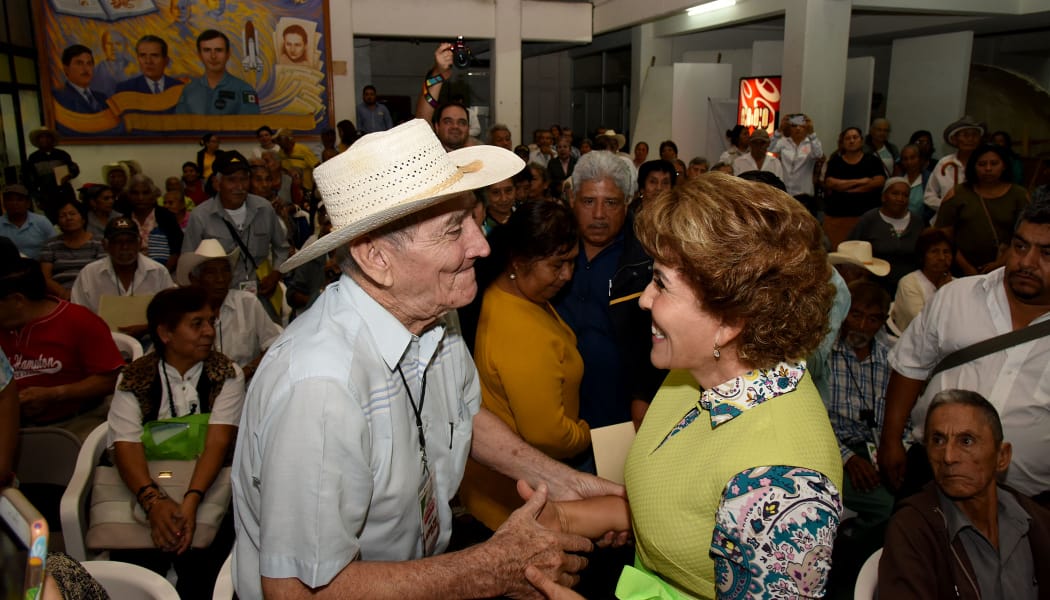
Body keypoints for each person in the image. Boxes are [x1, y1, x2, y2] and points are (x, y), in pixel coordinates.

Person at [231, 119, 618, 598]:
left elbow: (462, 414)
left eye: (474, 220)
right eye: (455, 229)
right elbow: (296, 592)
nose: (480, 245)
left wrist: (561, 482)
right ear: (375, 258)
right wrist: (490, 569)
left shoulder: (433, 310)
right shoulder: (321, 388)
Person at [535, 172, 843, 599]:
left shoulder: (780, 485)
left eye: (661, 283)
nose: (644, 299)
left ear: (730, 320)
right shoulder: (696, 370)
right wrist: (560, 520)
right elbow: (677, 502)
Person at [880, 195, 1050, 499]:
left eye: (1047, 253)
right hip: (930, 476)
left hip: (1028, 498)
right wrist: (891, 439)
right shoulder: (955, 297)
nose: (1026, 262)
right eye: (1020, 246)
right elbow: (909, 367)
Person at [460, 201, 590, 531]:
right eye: (558, 265)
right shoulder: (517, 327)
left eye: (573, 262)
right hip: (514, 501)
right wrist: (587, 435)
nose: (567, 275)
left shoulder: (516, 295)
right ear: (518, 262)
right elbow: (547, 434)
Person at [106, 286, 243, 599]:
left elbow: (217, 442)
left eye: (211, 321)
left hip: (208, 485)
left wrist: (191, 501)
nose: (209, 332)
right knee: (137, 558)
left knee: (205, 559)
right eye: (197, 324)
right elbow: (125, 444)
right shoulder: (134, 377)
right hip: (147, 481)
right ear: (166, 333)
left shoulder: (226, 374)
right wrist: (153, 501)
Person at [879, 390, 1050, 598]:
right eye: (938, 441)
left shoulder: (1034, 520)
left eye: (966, 441)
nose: (949, 457)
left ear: (1002, 457)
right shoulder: (912, 526)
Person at [555, 151, 666, 432]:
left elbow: (661, 334)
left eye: (611, 203)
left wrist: (644, 394)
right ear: (572, 200)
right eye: (589, 201)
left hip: (619, 410)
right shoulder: (549, 250)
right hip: (554, 404)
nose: (599, 214)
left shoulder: (646, 261)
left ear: (628, 203)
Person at [0, 258, 124, 435]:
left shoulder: (79, 321)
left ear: (18, 300)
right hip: (11, 424)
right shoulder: (4, 326)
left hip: (76, 422)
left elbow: (110, 379)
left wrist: (55, 394)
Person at [825, 280, 896, 537]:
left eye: (873, 319)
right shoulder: (825, 355)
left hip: (877, 447)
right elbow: (814, 421)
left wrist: (896, 448)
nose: (862, 326)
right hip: (834, 450)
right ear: (844, 312)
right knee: (886, 507)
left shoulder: (890, 358)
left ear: (884, 320)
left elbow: (903, 417)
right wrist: (849, 458)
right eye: (856, 315)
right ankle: (852, 545)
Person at [182, 151, 289, 312]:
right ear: (217, 183)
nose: (239, 187)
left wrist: (275, 274)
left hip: (261, 296)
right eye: (231, 180)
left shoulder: (264, 208)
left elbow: (281, 248)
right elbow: (188, 265)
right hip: (220, 302)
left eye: (244, 179)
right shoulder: (201, 216)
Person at [176, 240, 282, 379]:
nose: (220, 279)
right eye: (211, 272)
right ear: (195, 279)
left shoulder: (247, 303)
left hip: (246, 388)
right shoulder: (184, 311)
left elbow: (274, 346)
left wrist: (244, 373)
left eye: (225, 271)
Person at [936, 143, 1029, 276]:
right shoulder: (958, 193)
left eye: (994, 163)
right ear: (973, 167)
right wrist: (966, 266)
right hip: (961, 270)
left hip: (1007, 267)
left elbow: (1025, 236)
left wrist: (1000, 263)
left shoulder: (1019, 195)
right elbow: (943, 235)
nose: (988, 168)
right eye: (982, 164)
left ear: (1004, 166)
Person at [71, 217, 176, 336]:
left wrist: (148, 328)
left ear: (139, 242)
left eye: (130, 241)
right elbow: (77, 316)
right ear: (105, 245)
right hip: (100, 341)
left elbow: (171, 314)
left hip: (150, 342)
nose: (124, 247)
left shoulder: (158, 272)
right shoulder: (89, 274)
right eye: (117, 242)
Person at [847, 177, 925, 294]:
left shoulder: (918, 223)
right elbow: (850, 250)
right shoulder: (869, 220)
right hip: (874, 288)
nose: (900, 198)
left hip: (910, 288)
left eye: (905, 195)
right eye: (895, 193)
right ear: (883, 197)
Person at [823, 126, 887, 248]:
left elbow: (879, 181)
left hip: (865, 218)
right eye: (847, 138)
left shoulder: (872, 161)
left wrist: (844, 186)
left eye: (855, 137)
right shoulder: (835, 162)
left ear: (861, 141)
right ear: (842, 143)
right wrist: (862, 181)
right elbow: (831, 183)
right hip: (838, 217)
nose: (851, 141)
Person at [175, 29, 260, 115]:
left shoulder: (243, 90)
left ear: (228, 53)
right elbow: (179, 125)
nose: (213, 56)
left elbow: (251, 125)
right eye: (207, 50)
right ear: (199, 55)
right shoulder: (189, 90)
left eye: (219, 50)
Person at [889, 228, 953, 333]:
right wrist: (943, 292)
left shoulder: (957, 283)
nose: (942, 257)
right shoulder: (909, 283)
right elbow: (922, 323)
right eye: (934, 252)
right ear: (922, 256)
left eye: (946, 252)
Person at [40, 198, 105, 300]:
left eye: (72, 213)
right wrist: (63, 292)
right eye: (62, 215)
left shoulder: (100, 242)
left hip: (92, 292)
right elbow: (45, 278)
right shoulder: (50, 245)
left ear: (83, 219)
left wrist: (80, 294)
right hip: (61, 296)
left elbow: (102, 273)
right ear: (58, 223)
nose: (68, 218)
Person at [924, 116, 984, 218]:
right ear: (954, 139)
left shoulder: (984, 164)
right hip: (946, 220)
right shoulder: (944, 163)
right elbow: (929, 196)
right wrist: (949, 207)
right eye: (965, 135)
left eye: (974, 135)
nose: (970, 139)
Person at [125, 174, 183, 270]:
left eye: (145, 193)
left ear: (153, 195)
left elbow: (176, 250)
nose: (140, 198)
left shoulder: (166, 216)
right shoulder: (124, 218)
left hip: (164, 270)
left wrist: (161, 273)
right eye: (135, 193)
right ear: (129, 195)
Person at [22, 127, 79, 222]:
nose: (44, 139)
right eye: (41, 137)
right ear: (37, 140)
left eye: (47, 137)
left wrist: (70, 174)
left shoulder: (62, 154)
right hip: (47, 196)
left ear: (52, 139)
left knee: (70, 218)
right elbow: (29, 181)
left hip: (65, 193)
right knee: (53, 222)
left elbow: (74, 169)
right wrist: (38, 198)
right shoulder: (33, 158)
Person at [771, 113, 823, 211]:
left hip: (805, 195)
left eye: (801, 126)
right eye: (794, 125)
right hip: (785, 194)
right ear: (789, 128)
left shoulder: (811, 143)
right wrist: (779, 130)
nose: (798, 128)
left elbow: (818, 154)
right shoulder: (783, 142)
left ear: (806, 128)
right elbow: (769, 148)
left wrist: (812, 133)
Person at [114, 35, 184, 104]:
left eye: (154, 55)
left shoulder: (180, 88)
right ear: (138, 59)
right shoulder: (125, 90)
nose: (148, 61)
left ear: (166, 60)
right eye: (142, 55)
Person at [0, 184, 55, 260]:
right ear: (4, 204)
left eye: (19, 199)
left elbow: (55, 247)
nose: (14, 203)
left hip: (40, 268)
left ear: (28, 203)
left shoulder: (41, 222)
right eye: (10, 200)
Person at [53, 44, 108, 113]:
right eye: (79, 63)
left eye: (89, 63)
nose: (86, 69)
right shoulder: (59, 97)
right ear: (66, 69)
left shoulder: (102, 98)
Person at [548, 136, 577, 201]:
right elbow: (549, 180)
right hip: (556, 196)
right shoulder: (552, 163)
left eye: (565, 147)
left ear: (570, 149)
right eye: (559, 147)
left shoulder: (576, 162)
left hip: (574, 195)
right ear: (556, 150)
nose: (562, 149)